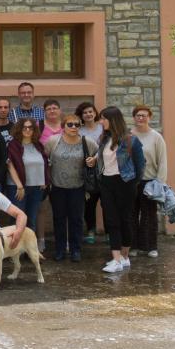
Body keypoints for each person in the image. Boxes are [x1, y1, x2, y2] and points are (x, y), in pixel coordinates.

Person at [96, 106, 145, 273]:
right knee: (111, 220)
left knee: (125, 219)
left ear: (112, 120)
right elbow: (102, 159)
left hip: (125, 183)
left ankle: (124, 256)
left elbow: (140, 167)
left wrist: (132, 183)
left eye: (103, 118)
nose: (101, 122)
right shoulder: (104, 139)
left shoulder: (131, 140)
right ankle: (116, 259)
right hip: (106, 183)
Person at [45, 114, 90, 262]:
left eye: (77, 125)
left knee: (76, 220)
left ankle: (76, 250)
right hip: (57, 187)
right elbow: (44, 159)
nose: (73, 127)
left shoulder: (87, 142)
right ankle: (60, 249)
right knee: (59, 219)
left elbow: (98, 155)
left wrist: (93, 160)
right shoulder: (54, 141)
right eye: (70, 124)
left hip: (78, 187)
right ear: (63, 126)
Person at [130, 104, 167, 259]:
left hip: (150, 181)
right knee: (131, 215)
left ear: (149, 117)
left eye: (144, 115)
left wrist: (160, 182)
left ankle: (151, 246)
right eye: (138, 115)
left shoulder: (156, 137)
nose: (141, 118)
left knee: (149, 215)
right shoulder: (129, 135)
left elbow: (162, 161)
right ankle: (133, 246)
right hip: (131, 182)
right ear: (134, 117)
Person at [6, 117, 48, 251]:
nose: (28, 130)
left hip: (36, 188)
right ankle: (14, 250)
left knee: (32, 220)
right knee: (18, 220)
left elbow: (44, 163)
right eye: (24, 127)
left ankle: (29, 251)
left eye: (30, 127)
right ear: (19, 129)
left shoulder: (38, 145)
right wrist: (19, 185)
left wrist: (44, 180)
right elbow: (10, 165)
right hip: (18, 188)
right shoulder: (14, 145)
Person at [75, 100, 104, 245]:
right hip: (88, 171)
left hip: (105, 170)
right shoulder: (79, 131)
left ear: (95, 113)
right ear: (81, 115)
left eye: (90, 111)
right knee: (90, 203)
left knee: (107, 203)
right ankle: (91, 230)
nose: (88, 114)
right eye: (85, 112)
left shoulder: (102, 128)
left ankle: (110, 232)